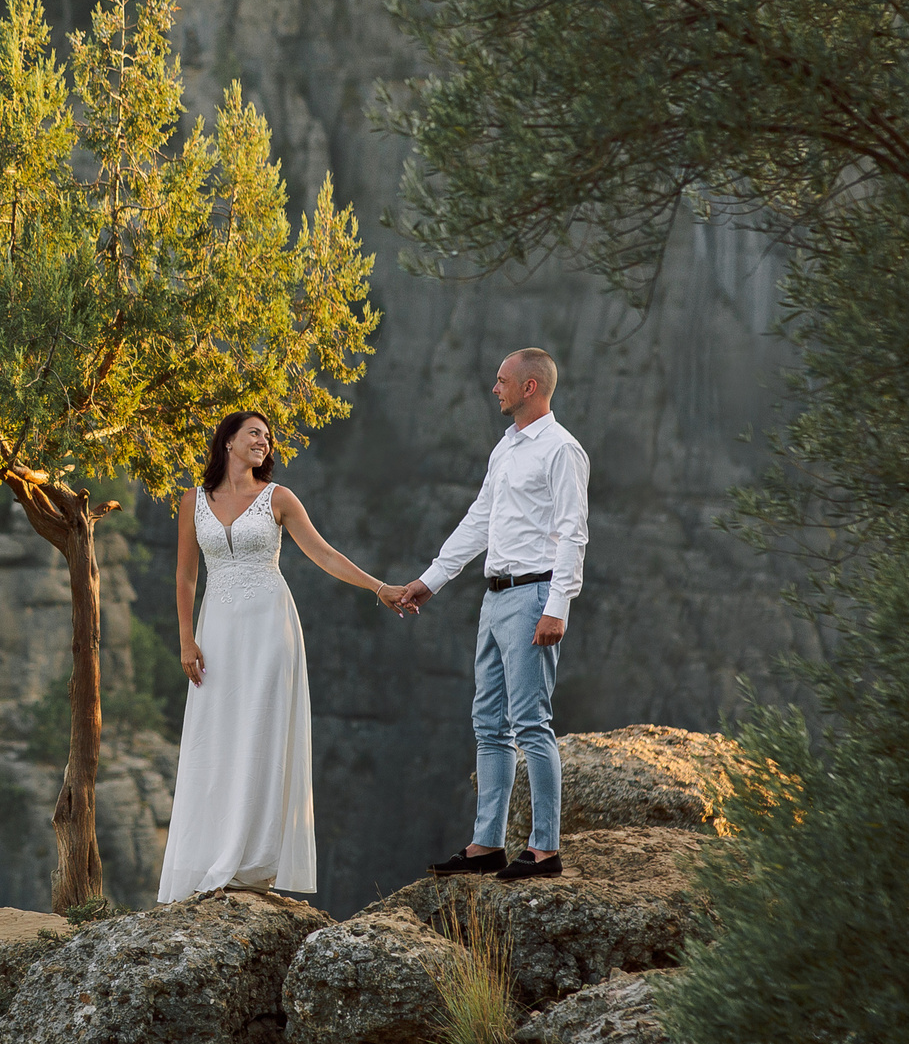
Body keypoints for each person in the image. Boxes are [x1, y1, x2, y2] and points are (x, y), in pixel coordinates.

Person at [158, 411, 411, 901]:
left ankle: (252, 863)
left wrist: (379, 587)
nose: (263, 441)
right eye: (254, 433)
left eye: (267, 437)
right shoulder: (193, 502)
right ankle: (209, 854)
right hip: (217, 632)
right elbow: (186, 576)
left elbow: (325, 554)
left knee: (261, 731)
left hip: (270, 628)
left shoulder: (279, 498)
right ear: (228, 441)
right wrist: (186, 639)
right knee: (215, 736)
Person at [390, 348, 591, 882]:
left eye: (502, 381)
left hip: (533, 597)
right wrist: (430, 581)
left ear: (530, 387)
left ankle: (545, 850)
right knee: (488, 724)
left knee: (531, 723)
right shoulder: (504, 450)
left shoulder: (561, 449)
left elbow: (573, 532)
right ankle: (487, 846)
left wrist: (558, 607)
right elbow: (479, 520)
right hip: (494, 597)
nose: (493, 388)